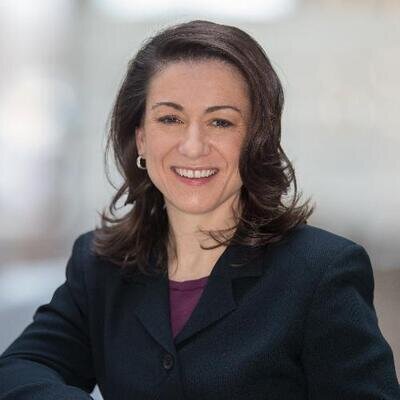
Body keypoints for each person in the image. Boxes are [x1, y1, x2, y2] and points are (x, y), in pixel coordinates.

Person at [0, 19, 399, 400]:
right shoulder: (100, 264)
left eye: (220, 122)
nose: (193, 146)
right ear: (141, 138)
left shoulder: (322, 272)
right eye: (170, 118)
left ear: (256, 139)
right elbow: (21, 368)